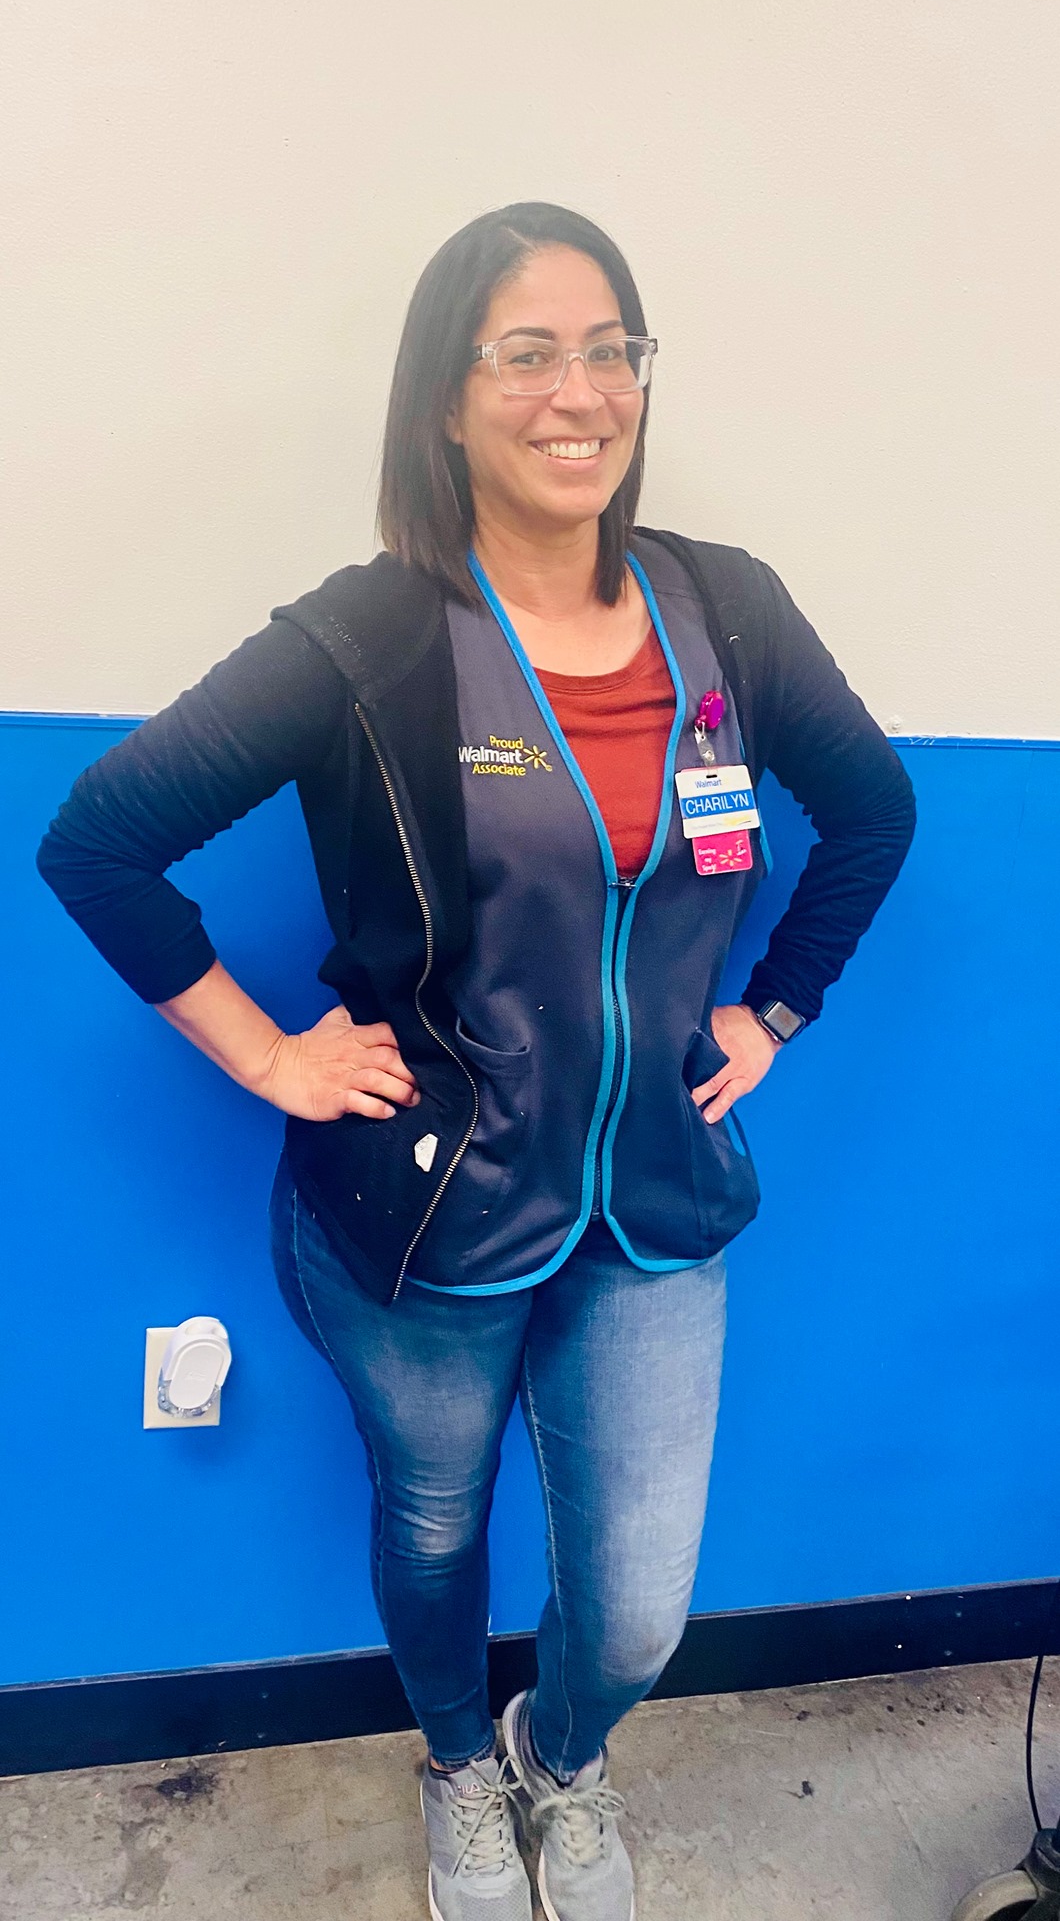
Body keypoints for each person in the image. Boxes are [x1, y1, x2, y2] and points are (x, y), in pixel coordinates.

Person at [38, 201, 916, 1921]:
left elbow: (873, 811)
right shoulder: (370, 637)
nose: (579, 392)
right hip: (428, 1213)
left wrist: (776, 1009)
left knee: (640, 1605)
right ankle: (456, 1763)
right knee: (436, 1526)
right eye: (527, 354)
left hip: (654, 1195)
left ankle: (558, 1756)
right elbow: (100, 842)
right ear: (448, 398)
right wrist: (270, 1060)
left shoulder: (727, 612)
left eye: (611, 349)